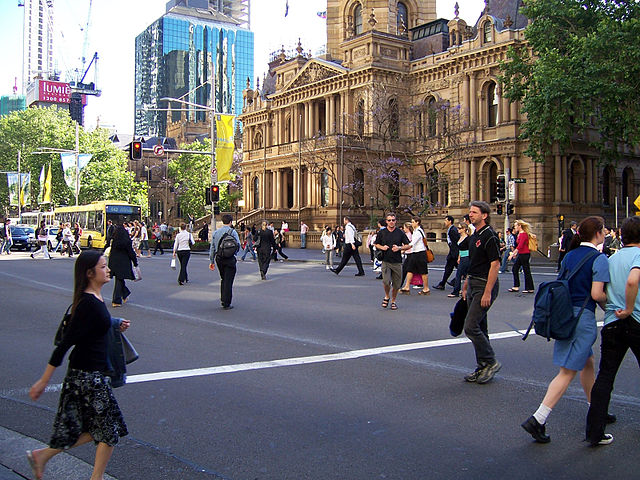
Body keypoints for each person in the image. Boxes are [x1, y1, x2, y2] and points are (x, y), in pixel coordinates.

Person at [27, 251, 129, 480]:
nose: (108, 269)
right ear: (90, 273)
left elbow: (93, 328)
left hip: (92, 375)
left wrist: (114, 324)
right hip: (86, 378)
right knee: (108, 430)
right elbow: (64, 345)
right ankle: (94, 477)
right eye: (103, 267)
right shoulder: (87, 304)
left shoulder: (93, 300)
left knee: (96, 429)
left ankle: (42, 456)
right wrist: (43, 381)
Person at [522, 216, 609, 444]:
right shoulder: (599, 259)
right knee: (567, 372)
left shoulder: (570, 255)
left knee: (587, 363)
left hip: (565, 316)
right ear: (598, 233)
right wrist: (613, 306)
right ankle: (538, 418)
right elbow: (597, 294)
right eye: (604, 230)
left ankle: (596, 409)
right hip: (583, 318)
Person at [586, 217, 640, 446]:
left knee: (606, 376)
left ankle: (595, 431)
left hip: (611, 322)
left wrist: (613, 307)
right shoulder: (638, 256)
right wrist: (628, 308)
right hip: (635, 320)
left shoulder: (611, 258)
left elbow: (598, 292)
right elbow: (632, 281)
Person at [461, 201, 502, 384]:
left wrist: (487, 292)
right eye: (470, 212)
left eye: (474, 212)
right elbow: (475, 263)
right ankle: (482, 366)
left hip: (485, 285)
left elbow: (495, 264)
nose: (471, 215)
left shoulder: (489, 236)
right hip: (473, 283)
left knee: (470, 326)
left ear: (484, 215)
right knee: (480, 327)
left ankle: (491, 361)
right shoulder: (475, 235)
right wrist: (466, 283)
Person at [374, 212, 411, 310]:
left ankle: (393, 301)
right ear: (386, 221)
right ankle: (387, 296)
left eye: (393, 220)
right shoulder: (382, 232)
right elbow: (376, 244)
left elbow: (408, 245)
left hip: (397, 261)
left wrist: (399, 248)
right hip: (386, 260)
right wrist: (382, 247)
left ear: (395, 221)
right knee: (386, 281)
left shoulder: (400, 232)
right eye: (389, 220)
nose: (391, 222)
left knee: (396, 284)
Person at [210, 214, 240, 309]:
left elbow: (212, 248)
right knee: (229, 280)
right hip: (230, 258)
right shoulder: (233, 232)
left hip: (219, 258)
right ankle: (226, 302)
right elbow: (238, 245)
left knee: (223, 279)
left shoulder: (216, 232)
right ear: (231, 222)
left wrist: (212, 261)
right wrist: (233, 252)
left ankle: (223, 299)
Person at [108, 224, 138, 307]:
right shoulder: (126, 241)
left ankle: (125, 293)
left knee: (119, 278)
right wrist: (135, 262)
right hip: (123, 262)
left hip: (114, 262)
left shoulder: (114, 240)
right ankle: (116, 300)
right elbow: (131, 252)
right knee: (120, 279)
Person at [399, 217, 430, 295]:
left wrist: (401, 248)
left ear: (417, 222)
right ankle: (407, 286)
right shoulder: (417, 231)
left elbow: (412, 244)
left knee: (423, 271)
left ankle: (426, 288)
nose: (412, 224)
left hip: (420, 253)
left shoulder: (418, 232)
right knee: (410, 269)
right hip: (415, 253)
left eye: (413, 222)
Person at [433, 215, 460, 291]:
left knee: (461, 269)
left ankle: (452, 282)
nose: (444, 222)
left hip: (454, 254)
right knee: (449, 269)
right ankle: (443, 283)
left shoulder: (453, 230)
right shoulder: (450, 229)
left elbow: (456, 242)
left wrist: (456, 253)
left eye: (446, 220)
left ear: (450, 221)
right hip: (452, 253)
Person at [508, 220, 535, 293]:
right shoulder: (520, 234)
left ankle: (528, 287)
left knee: (526, 270)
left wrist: (513, 254)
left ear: (520, 226)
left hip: (524, 254)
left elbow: (520, 246)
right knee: (516, 269)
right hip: (521, 254)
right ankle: (517, 286)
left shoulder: (523, 234)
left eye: (516, 226)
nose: (515, 227)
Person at [450, 223, 471, 298]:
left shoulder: (468, 238)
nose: (458, 230)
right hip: (462, 256)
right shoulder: (460, 237)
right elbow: (460, 249)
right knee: (466, 274)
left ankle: (456, 291)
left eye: (459, 228)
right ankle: (467, 289)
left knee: (459, 274)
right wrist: (459, 257)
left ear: (464, 229)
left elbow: (470, 249)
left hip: (466, 257)